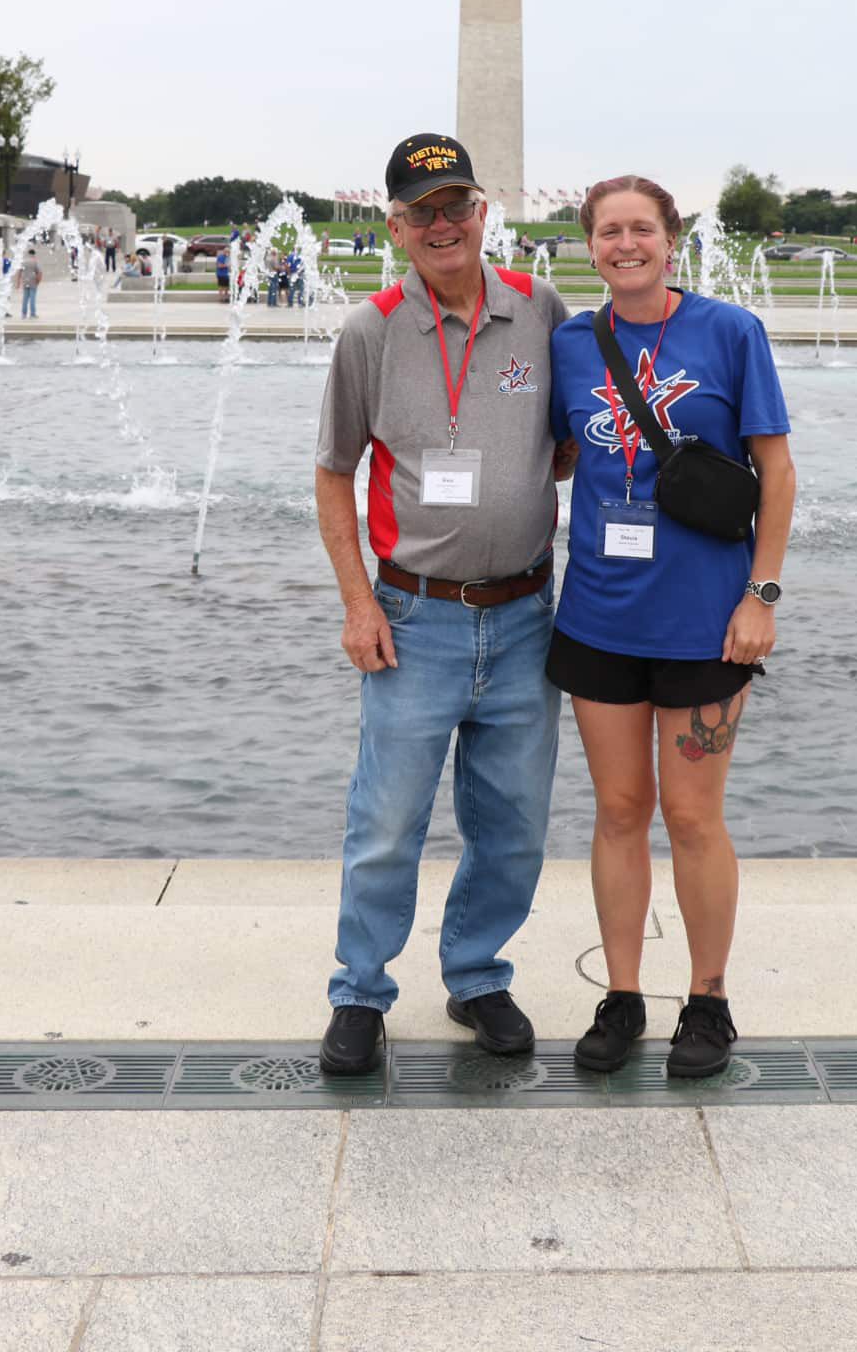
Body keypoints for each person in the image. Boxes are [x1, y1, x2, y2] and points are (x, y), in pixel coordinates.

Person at [314, 133, 571, 1076]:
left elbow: (575, 437)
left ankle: (476, 975)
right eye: (420, 210)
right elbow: (333, 472)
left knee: (513, 820)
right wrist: (356, 602)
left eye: (455, 205)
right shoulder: (370, 331)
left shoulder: (540, 310)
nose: (441, 224)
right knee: (386, 819)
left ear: (482, 213)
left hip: (522, 620)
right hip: (413, 617)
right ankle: (359, 991)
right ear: (394, 225)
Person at [547, 175, 795, 1079]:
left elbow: (775, 469)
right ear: (589, 245)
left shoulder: (730, 332)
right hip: (599, 613)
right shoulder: (573, 342)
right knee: (617, 810)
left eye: (640, 229)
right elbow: (553, 451)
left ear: (670, 237)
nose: (625, 245)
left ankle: (708, 998)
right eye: (608, 232)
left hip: (705, 619)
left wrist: (759, 595)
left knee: (692, 817)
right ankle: (621, 995)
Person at [17, 248, 43, 319]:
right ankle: (32, 314)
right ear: (34, 254)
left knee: (25, 298)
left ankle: (24, 314)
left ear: (28, 253)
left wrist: (18, 282)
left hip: (25, 281)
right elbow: (40, 272)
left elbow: (19, 271)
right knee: (32, 298)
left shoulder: (24, 261)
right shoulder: (35, 262)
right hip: (33, 281)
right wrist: (38, 280)